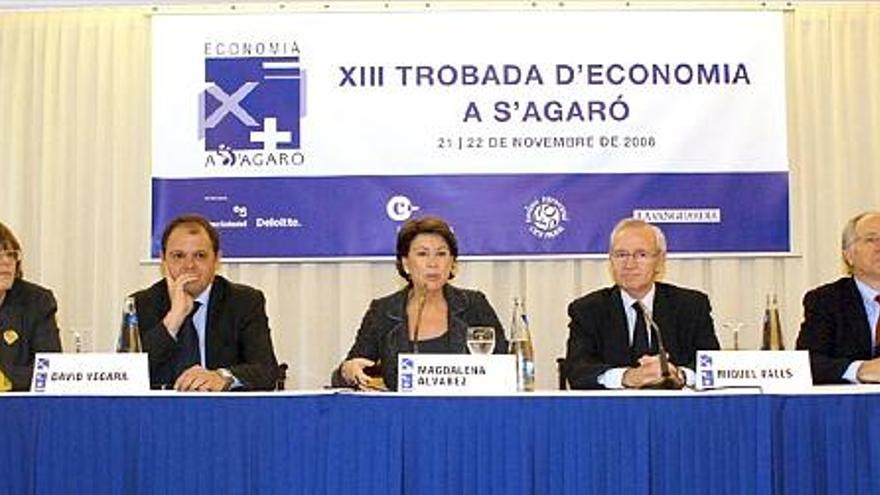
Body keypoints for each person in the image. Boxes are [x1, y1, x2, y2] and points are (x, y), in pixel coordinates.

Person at [332, 215, 508, 391]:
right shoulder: (383, 311)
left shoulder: (474, 305)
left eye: (441, 253)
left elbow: (506, 366)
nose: (433, 263)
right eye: (422, 254)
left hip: (466, 412)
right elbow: (351, 370)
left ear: (452, 263)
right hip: (402, 414)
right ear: (406, 263)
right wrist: (347, 371)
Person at [564, 218, 720, 389]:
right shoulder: (588, 310)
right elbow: (578, 371)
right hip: (612, 412)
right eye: (621, 255)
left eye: (641, 255)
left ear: (659, 260)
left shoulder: (691, 306)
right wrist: (627, 377)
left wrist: (678, 374)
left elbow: (712, 365)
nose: (630, 264)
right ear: (611, 260)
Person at [131, 214, 278, 391]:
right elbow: (129, 375)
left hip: (223, 412)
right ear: (163, 260)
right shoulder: (142, 303)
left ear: (216, 260)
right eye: (178, 256)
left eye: (200, 256)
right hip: (161, 413)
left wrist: (222, 377)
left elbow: (266, 371)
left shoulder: (244, 302)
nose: (189, 265)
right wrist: (172, 320)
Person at [796, 211, 880, 384]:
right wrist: (859, 370)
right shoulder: (825, 301)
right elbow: (808, 363)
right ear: (848, 255)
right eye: (871, 239)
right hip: (846, 407)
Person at [0, 222, 62, 391]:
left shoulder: (37, 302)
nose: (6, 261)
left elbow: (50, 367)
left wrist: (5, 380)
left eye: (11, 255)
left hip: (19, 409)